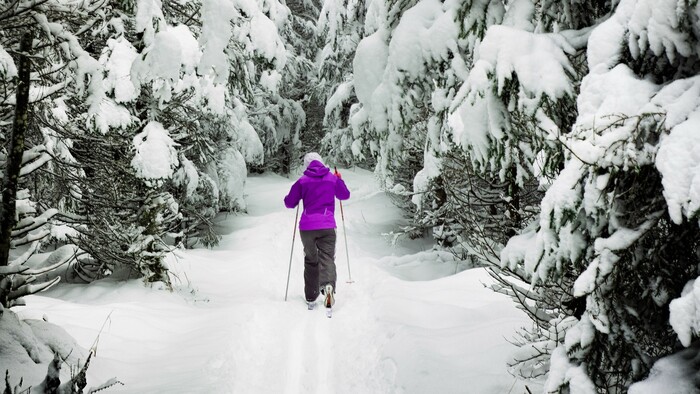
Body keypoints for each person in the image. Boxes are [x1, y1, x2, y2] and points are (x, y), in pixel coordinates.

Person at [284, 152, 350, 310]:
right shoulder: (331, 178)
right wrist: (339, 179)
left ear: (307, 165)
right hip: (327, 226)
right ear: (321, 162)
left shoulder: (302, 181)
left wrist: (300, 195)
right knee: (327, 258)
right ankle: (328, 288)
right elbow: (345, 195)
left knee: (311, 260)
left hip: (307, 228)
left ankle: (311, 297)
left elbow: (289, 203)